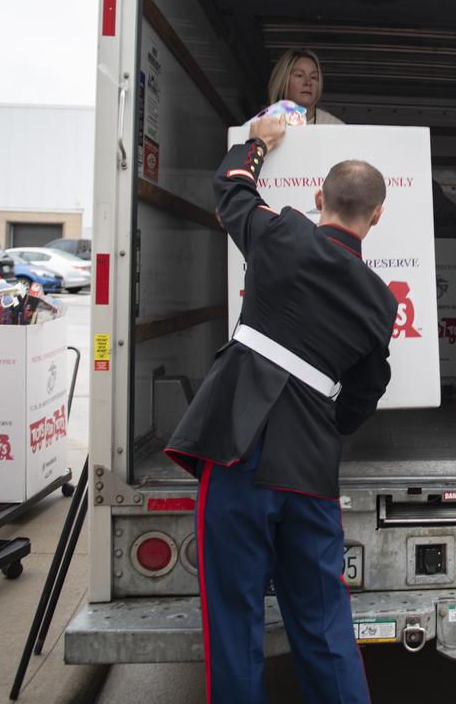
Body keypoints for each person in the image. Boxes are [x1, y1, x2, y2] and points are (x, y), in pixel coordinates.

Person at [164, 113, 397, 704]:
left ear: (317, 198)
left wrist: (258, 143)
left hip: (237, 449)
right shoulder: (379, 300)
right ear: (376, 217)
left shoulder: (281, 232)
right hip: (310, 467)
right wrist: (327, 424)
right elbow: (369, 391)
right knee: (323, 623)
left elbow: (231, 187)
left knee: (235, 617)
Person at [267, 48, 345, 125]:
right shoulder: (265, 123)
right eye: (299, 75)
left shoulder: (334, 126)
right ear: (283, 81)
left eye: (313, 77)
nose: (308, 82)